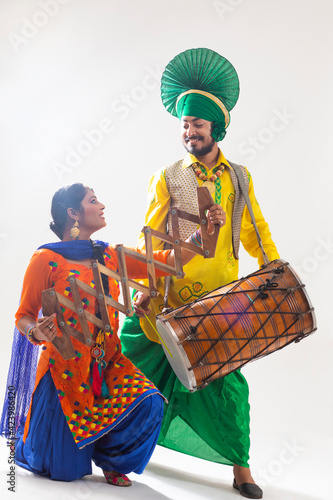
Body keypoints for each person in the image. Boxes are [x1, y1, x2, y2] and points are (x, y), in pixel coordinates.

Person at [120, 48, 280, 499]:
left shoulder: (240, 177)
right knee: (135, 362)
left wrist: (272, 270)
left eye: (198, 125)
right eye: (185, 125)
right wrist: (142, 286)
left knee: (228, 385)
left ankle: (241, 469)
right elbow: (151, 234)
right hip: (169, 294)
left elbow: (255, 229)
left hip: (218, 300)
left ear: (217, 130)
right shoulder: (168, 176)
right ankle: (116, 450)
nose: (189, 132)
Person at [0, 182, 223, 486]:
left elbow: (165, 262)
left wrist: (204, 234)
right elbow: (23, 315)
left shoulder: (107, 254)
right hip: (64, 372)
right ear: (73, 214)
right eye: (93, 200)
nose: (102, 205)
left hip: (107, 363)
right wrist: (36, 330)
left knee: (149, 403)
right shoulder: (45, 260)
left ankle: (110, 459)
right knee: (65, 473)